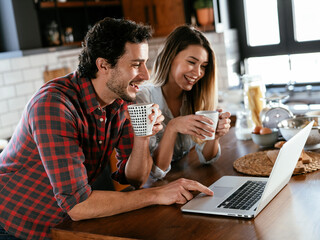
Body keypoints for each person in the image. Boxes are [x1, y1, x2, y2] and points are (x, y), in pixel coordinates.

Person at [0, 18, 213, 240]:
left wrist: (143, 136)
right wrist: (158, 194)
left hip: (65, 226)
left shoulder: (120, 101)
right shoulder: (54, 105)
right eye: (135, 64)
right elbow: (78, 205)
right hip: (15, 224)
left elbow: (135, 179)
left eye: (145, 63)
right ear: (103, 65)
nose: (145, 75)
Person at [136, 25, 231, 180]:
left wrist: (215, 135)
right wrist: (173, 127)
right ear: (170, 57)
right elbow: (156, 171)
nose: (198, 72)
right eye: (192, 62)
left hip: (185, 182)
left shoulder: (194, 95)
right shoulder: (143, 99)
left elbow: (207, 158)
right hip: (155, 191)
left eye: (203, 66)